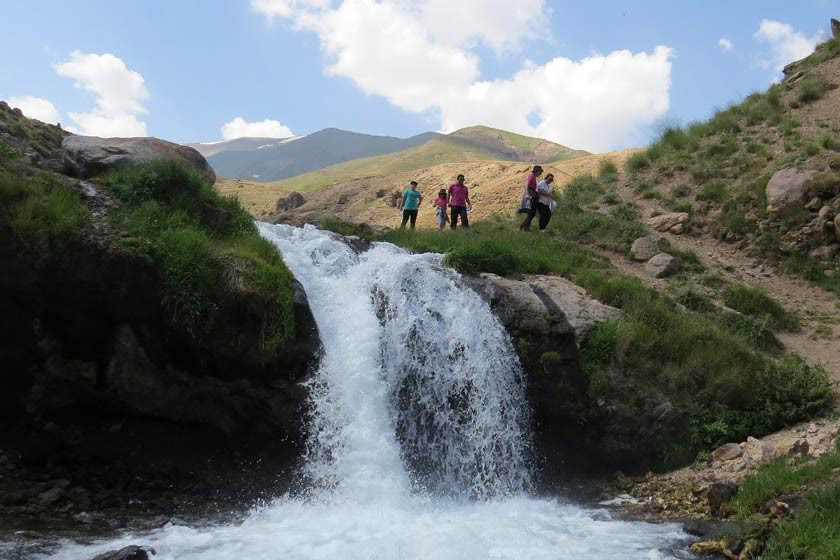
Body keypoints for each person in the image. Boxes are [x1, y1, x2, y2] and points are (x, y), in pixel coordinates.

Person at [519, 165, 543, 230]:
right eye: (540, 172)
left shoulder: (534, 177)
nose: (540, 173)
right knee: (531, 212)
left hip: (532, 194)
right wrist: (527, 194)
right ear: (537, 171)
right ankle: (526, 228)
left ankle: (522, 227)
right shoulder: (531, 176)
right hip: (530, 194)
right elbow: (526, 185)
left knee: (532, 213)